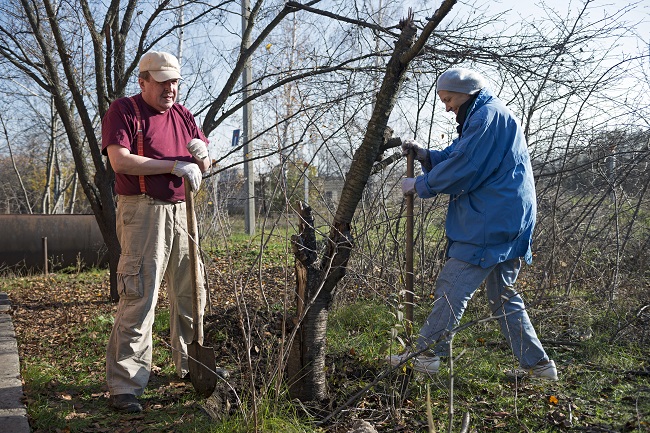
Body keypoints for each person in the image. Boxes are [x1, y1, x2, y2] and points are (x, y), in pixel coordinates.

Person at [389, 67, 557, 381]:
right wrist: (427, 155)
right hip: (508, 218)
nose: (447, 106)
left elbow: (465, 165)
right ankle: (540, 368)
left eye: (449, 98)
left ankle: (426, 354)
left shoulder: (485, 117)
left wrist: (421, 185)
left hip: (490, 221)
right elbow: (458, 153)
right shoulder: (486, 116)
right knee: (503, 297)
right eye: (443, 99)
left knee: (453, 286)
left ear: (467, 93)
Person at [101, 51, 225, 413]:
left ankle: (188, 365)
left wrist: (204, 155)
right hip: (142, 211)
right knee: (140, 295)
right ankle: (125, 384)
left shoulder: (184, 115)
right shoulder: (125, 111)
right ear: (143, 82)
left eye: (174, 81)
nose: (170, 88)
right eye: (162, 81)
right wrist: (173, 165)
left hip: (182, 211)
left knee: (191, 292)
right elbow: (119, 159)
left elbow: (202, 161)